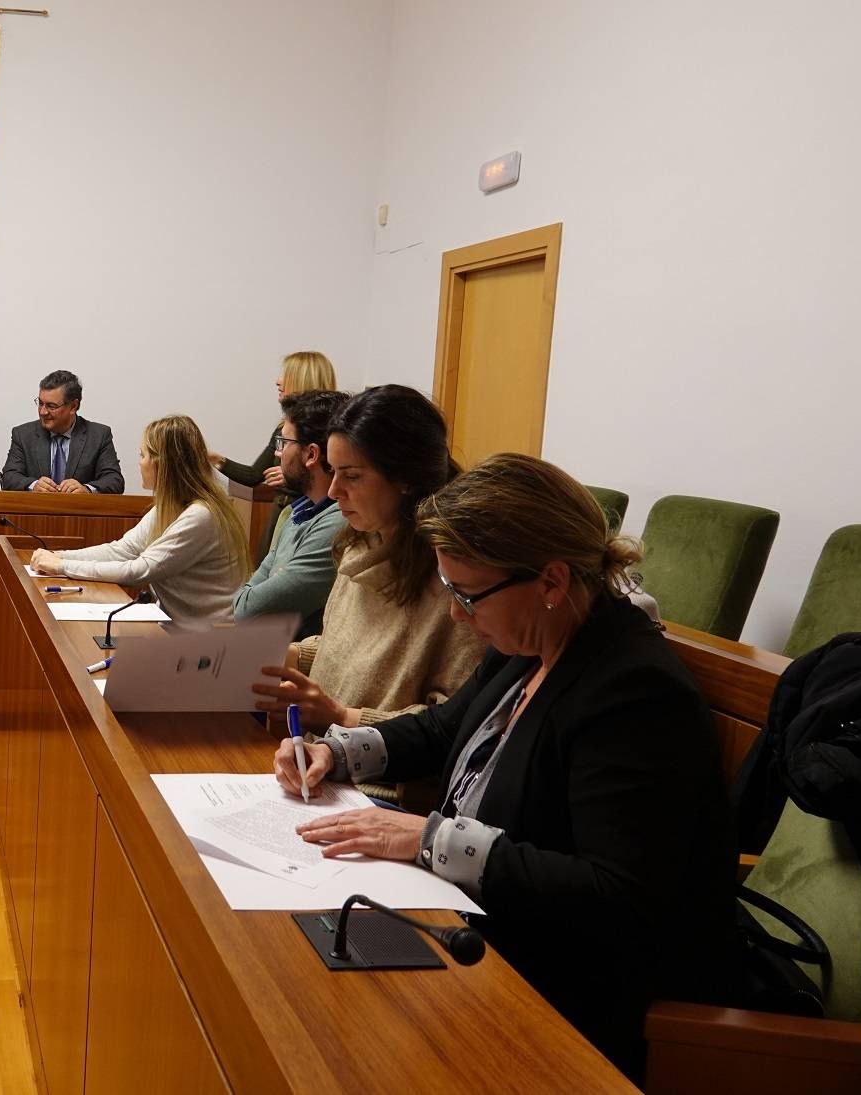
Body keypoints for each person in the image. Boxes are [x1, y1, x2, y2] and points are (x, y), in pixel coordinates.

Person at [273, 453, 737, 1078]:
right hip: (473, 925)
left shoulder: (635, 694)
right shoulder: (534, 637)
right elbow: (444, 727)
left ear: (550, 581)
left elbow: (616, 894)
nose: (458, 615)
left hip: (561, 986)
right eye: (449, 591)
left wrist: (431, 839)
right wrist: (338, 750)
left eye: (466, 594)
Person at [250, 384, 487, 733]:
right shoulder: (359, 545)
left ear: (404, 477)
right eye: (333, 471)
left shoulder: (456, 577)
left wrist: (342, 717)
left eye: (353, 476)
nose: (333, 491)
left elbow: (454, 725)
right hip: (322, 757)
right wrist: (291, 657)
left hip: (379, 780)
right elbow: (346, 648)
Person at [29, 415, 248, 621]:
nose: (140, 462)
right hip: (180, 629)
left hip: (211, 639)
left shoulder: (201, 515)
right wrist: (58, 555)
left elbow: (139, 570)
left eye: (143, 455)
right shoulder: (170, 506)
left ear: (163, 463)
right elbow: (123, 550)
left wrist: (62, 566)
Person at [232, 389, 350, 638]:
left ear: (311, 454)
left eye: (284, 443)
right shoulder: (296, 512)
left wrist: (256, 591)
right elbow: (249, 596)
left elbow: (248, 609)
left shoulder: (339, 522)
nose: (277, 453)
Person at [208, 350, 336, 564]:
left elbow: (330, 476)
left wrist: (294, 476)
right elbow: (254, 475)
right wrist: (214, 459)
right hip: (281, 514)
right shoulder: (282, 427)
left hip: (310, 516)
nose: (278, 381)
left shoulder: (334, 431)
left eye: (286, 374)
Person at [0, 370, 125, 493]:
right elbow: (9, 477)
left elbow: (114, 481)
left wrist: (87, 489)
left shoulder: (99, 435)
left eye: (51, 406)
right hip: (38, 512)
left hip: (79, 513)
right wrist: (34, 485)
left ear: (73, 406)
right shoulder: (23, 435)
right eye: (40, 403)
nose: (43, 412)